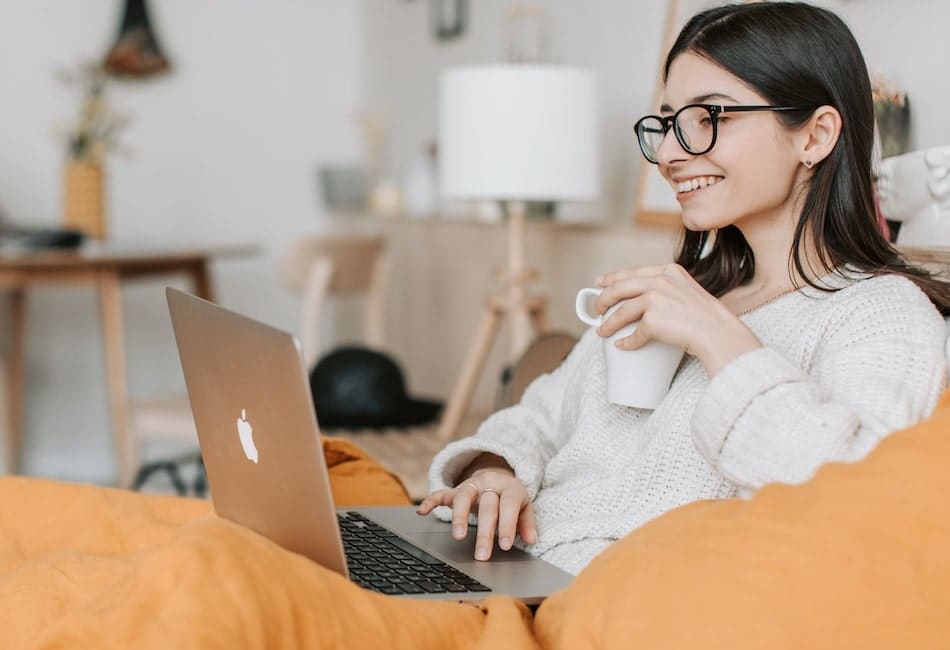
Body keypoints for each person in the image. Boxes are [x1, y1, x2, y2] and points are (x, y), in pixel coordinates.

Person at [416, 1, 950, 576]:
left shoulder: (878, 313)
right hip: (505, 564)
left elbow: (857, 496)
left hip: (601, 601)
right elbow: (536, 418)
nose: (670, 154)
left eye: (709, 117)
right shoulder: (683, 290)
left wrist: (721, 340)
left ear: (815, 135)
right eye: (669, 122)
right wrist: (496, 471)